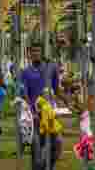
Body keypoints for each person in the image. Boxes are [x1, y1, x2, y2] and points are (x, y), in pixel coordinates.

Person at [19, 42, 58, 170]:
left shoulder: (50, 69)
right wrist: (32, 112)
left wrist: (68, 103)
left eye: (38, 51)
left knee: (57, 144)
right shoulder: (25, 72)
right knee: (36, 148)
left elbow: (56, 89)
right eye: (33, 51)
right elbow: (24, 94)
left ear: (42, 53)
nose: (36, 54)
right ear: (29, 54)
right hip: (34, 116)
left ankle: (48, 166)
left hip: (49, 115)